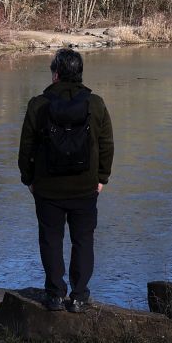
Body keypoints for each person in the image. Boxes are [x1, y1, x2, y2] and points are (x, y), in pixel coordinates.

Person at [18, 47, 114, 312]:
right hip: (85, 187)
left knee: (51, 240)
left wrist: (28, 179)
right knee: (83, 240)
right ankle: (79, 296)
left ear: (55, 75)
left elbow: (26, 148)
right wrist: (102, 178)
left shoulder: (38, 105)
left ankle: (55, 295)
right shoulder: (96, 104)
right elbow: (106, 145)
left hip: (47, 188)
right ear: (80, 73)